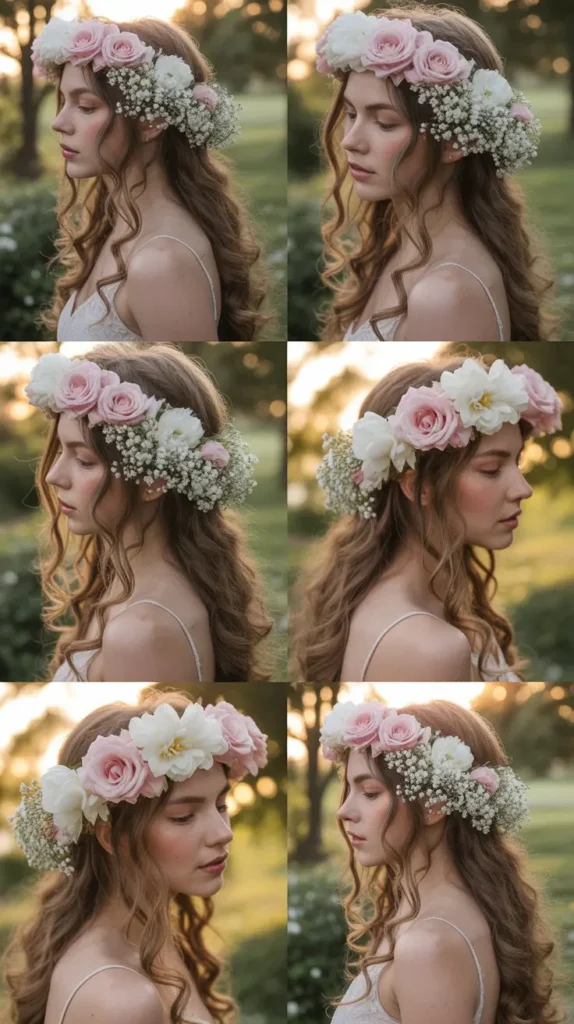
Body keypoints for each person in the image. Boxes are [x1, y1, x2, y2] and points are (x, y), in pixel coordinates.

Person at [291, 354, 563, 682]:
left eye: (517, 463)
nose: (523, 489)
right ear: (419, 487)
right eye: (491, 469)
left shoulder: (403, 605)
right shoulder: (428, 648)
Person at [3, 689, 269, 1024]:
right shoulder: (120, 1000)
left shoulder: (148, 939)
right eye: (183, 816)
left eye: (220, 805)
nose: (224, 833)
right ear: (111, 836)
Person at [24, 343, 273, 682]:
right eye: (60, 451)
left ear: (153, 481)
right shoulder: (124, 581)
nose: (54, 476)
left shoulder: (143, 633)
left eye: (83, 460)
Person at [314, 5, 557, 342]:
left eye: (385, 123)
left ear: (455, 141)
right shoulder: (400, 248)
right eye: (352, 114)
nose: (350, 141)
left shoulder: (444, 294)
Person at [320, 697, 565, 1024]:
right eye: (348, 789)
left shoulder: (429, 946)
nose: (344, 811)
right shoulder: (425, 909)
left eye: (370, 792)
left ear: (433, 805)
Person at [31, 16, 269, 341]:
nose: (59, 122)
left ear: (151, 122)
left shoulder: (162, 264)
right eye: (63, 101)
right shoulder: (120, 224)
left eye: (86, 106)